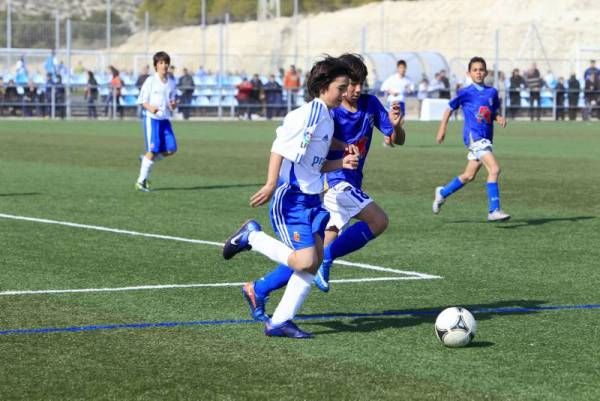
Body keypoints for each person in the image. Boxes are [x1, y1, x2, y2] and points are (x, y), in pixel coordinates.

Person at [237, 53, 405, 319]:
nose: (357, 89)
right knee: (377, 221)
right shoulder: (326, 110)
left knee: (309, 257)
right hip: (330, 183)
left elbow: (397, 139)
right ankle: (311, 262)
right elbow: (301, 148)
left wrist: (396, 127)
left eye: (361, 83)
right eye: (351, 84)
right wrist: (272, 182)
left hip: (342, 181)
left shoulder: (369, 105)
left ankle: (260, 290)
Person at [222, 56, 357, 339]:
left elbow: (315, 163)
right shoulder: (307, 115)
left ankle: (280, 320)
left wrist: (343, 160)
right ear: (323, 86)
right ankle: (250, 237)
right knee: (304, 261)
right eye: (341, 87)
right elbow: (279, 147)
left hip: (313, 200)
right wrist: (271, 183)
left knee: (315, 260)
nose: (345, 93)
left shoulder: (326, 116)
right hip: (292, 199)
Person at [432, 56, 510, 222]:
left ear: (486, 72)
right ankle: (493, 210)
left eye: (481, 70)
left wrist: (498, 117)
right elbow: (448, 108)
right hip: (474, 137)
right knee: (494, 169)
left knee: (469, 175)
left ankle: (442, 193)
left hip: (486, 138)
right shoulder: (465, 92)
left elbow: (490, 111)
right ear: (469, 73)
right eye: (475, 70)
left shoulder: (492, 92)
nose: (479, 73)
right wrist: (442, 128)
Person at [135, 51, 178, 192]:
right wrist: (150, 108)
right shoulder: (150, 81)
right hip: (152, 119)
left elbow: (172, 100)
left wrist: (173, 105)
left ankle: (146, 160)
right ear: (156, 66)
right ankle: (140, 182)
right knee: (153, 150)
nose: (164, 65)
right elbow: (142, 100)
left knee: (171, 149)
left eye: (166, 62)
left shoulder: (171, 82)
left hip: (165, 119)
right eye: (160, 63)